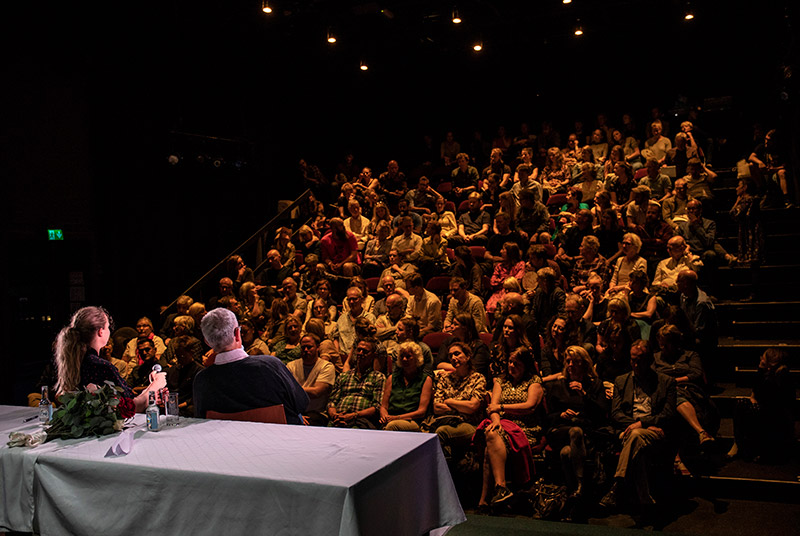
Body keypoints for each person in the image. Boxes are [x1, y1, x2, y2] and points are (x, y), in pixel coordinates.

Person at [193, 308, 308, 424]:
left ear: (207, 342)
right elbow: (302, 403)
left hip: (228, 441)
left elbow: (202, 420)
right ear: (238, 334)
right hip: (279, 439)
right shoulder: (271, 366)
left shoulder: (201, 380)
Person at [599, 340, 677, 509]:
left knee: (635, 436)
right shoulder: (621, 381)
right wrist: (638, 425)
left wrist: (643, 423)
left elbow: (668, 413)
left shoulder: (666, 382)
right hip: (628, 430)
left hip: (655, 432)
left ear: (649, 360)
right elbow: (616, 414)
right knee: (637, 444)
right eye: (632, 360)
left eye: (639, 360)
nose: (635, 364)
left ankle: (617, 485)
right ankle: (645, 500)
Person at [53, 306, 166, 413]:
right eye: (108, 327)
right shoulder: (101, 366)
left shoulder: (74, 362)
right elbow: (131, 406)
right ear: (100, 332)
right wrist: (156, 384)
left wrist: (149, 392)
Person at [476, 347, 544, 510]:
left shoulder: (534, 382)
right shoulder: (500, 381)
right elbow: (492, 406)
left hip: (526, 428)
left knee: (489, 446)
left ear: (525, 366)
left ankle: (487, 497)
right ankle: (499, 490)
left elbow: (530, 406)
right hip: (501, 424)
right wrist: (497, 419)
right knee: (492, 432)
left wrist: (501, 408)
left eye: (517, 363)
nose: (511, 366)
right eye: (510, 362)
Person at [545, 345, 609, 500]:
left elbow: (601, 414)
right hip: (560, 431)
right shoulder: (558, 385)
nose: (570, 365)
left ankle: (573, 493)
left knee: (567, 453)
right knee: (575, 431)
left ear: (584, 364)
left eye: (575, 362)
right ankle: (581, 486)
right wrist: (561, 414)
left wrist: (584, 395)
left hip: (586, 433)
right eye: (568, 361)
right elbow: (547, 418)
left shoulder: (595, 385)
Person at [653, 325, 718, 447]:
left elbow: (696, 373)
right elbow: (652, 376)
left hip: (688, 389)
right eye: (661, 344)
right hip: (664, 391)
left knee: (675, 397)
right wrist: (669, 384)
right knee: (672, 397)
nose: (663, 348)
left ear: (675, 342)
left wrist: (675, 381)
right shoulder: (656, 358)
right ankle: (701, 432)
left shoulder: (690, 355)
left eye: (666, 344)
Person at [422, 342, 487, 462]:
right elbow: (437, 407)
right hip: (448, 420)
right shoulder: (445, 379)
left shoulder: (478, 378)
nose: (453, 358)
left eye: (457, 354)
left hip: (471, 424)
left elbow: (473, 406)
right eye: (450, 355)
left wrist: (449, 401)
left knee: (441, 432)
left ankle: (439, 475)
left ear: (468, 356)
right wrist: (461, 407)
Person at [729, 348, 795, 462]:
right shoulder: (762, 373)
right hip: (764, 409)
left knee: (758, 412)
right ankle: (738, 444)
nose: (760, 359)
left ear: (769, 363)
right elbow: (753, 395)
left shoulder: (781, 377)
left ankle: (766, 451)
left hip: (776, 416)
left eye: (763, 358)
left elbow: (777, 405)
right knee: (741, 405)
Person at [327, 337, 386, 429]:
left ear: (373, 355)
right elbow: (332, 403)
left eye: (365, 351)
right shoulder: (343, 376)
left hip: (361, 421)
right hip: (338, 419)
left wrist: (353, 415)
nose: (360, 353)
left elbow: (377, 407)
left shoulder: (378, 377)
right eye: (359, 350)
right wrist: (335, 415)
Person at [379, 341, 433, 431]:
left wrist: (397, 418)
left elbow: (421, 412)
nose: (404, 359)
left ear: (416, 358)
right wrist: (385, 417)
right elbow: (384, 406)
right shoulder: (392, 378)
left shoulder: (425, 380)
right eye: (402, 356)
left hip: (413, 421)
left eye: (408, 356)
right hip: (390, 420)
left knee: (392, 426)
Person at [286, 333, 336, 426]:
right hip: (295, 411)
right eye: (303, 347)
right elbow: (285, 393)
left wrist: (293, 389)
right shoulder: (291, 366)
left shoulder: (326, 366)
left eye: (309, 347)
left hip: (317, 413)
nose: (305, 350)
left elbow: (316, 392)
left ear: (317, 348)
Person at [404, 273, 443, 337]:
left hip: (431, 331)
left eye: (408, 287)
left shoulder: (433, 301)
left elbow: (431, 326)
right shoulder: (411, 298)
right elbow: (408, 317)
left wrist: (415, 332)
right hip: (416, 329)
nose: (407, 290)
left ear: (416, 288)